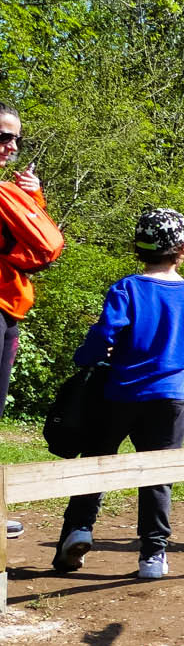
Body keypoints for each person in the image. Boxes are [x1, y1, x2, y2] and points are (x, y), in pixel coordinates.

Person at [53, 208, 184, 579]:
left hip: (118, 393)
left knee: (97, 462)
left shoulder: (127, 288)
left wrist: (85, 357)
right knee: (157, 475)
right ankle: (153, 555)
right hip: (169, 397)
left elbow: (106, 334)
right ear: (182, 248)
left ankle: (79, 530)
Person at [0, 104, 47, 419]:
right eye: (4, 137)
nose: (12, 147)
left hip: (10, 308)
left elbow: (37, 245)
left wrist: (33, 200)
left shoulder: (7, 194)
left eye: (16, 139)